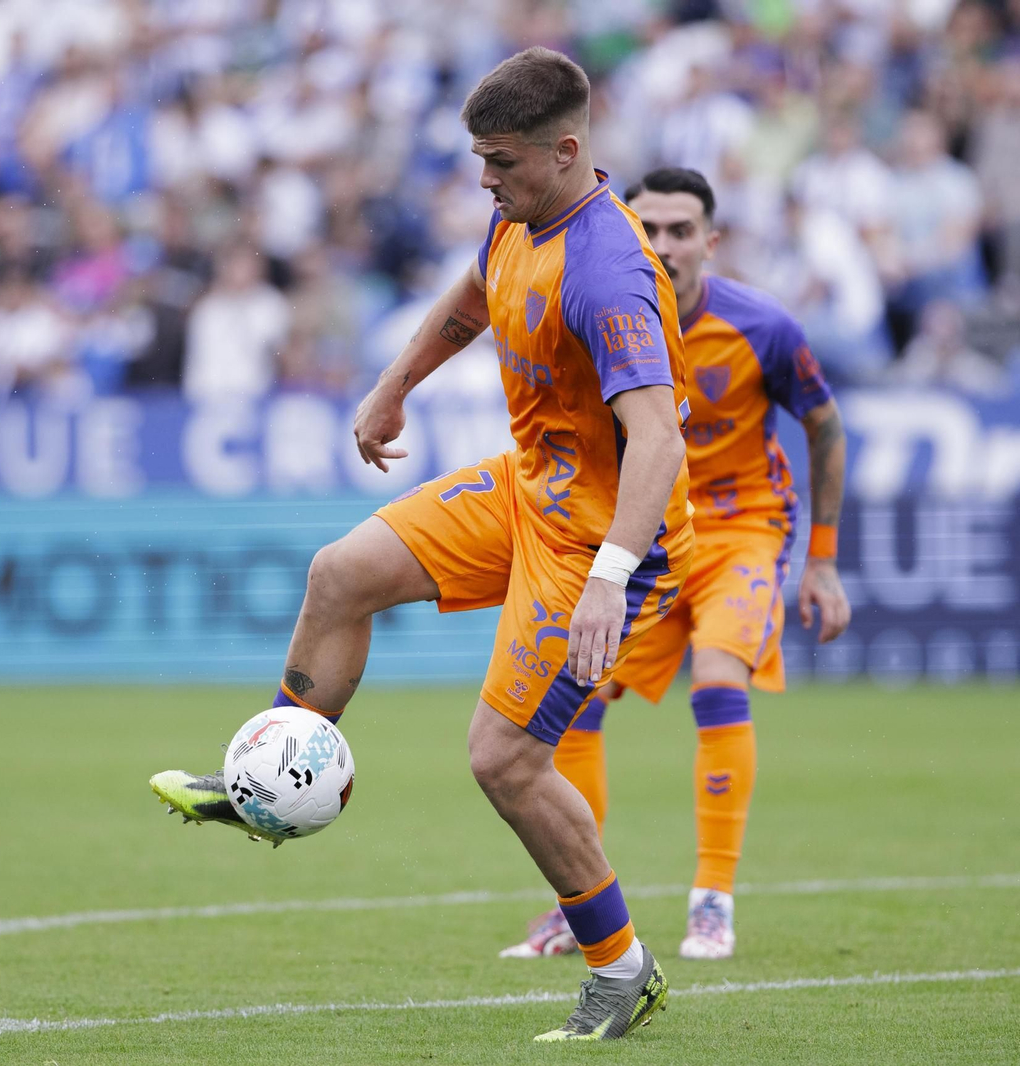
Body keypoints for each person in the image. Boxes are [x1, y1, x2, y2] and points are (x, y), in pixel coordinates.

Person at [150, 49, 691, 1042]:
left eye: (501, 162)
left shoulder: (609, 269)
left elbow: (657, 439)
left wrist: (610, 578)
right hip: (533, 488)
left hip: (599, 539)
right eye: (479, 160)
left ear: (566, 151)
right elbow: (476, 294)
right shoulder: (522, 215)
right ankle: (272, 775)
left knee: (505, 760)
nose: (484, 179)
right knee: (339, 572)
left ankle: (621, 968)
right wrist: (395, 382)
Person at [500, 168, 851, 963]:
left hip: (742, 533)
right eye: (648, 230)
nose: (664, 246)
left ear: (710, 241)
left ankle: (712, 902)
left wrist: (821, 563)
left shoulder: (762, 326)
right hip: (649, 539)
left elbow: (827, 428)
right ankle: (571, 909)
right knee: (575, 701)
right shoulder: (604, 307)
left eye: (680, 231)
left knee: (720, 682)